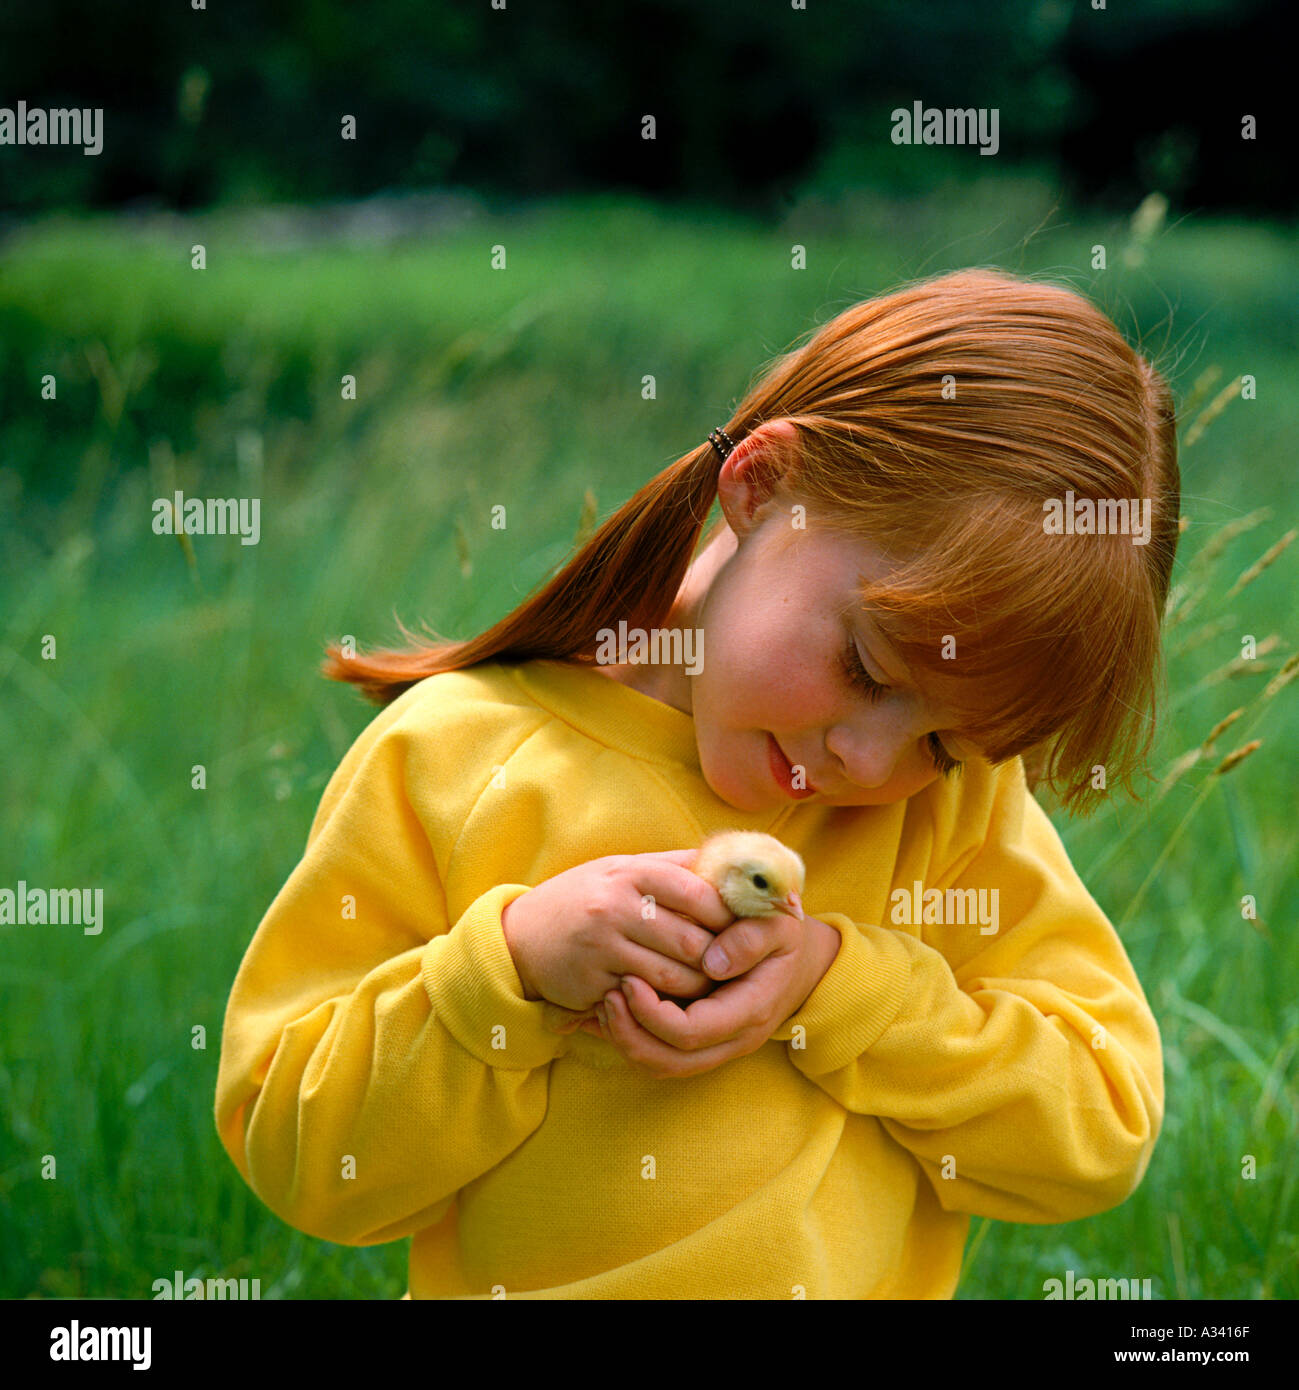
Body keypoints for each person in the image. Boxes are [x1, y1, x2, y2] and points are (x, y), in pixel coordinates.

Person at [214, 267, 1178, 1299]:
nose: (874, 759)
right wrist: (512, 972)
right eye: (868, 667)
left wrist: (840, 989)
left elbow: (1099, 1124)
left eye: (944, 741)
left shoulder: (950, 813)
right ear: (764, 490)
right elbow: (301, 1153)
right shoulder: (454, 758)